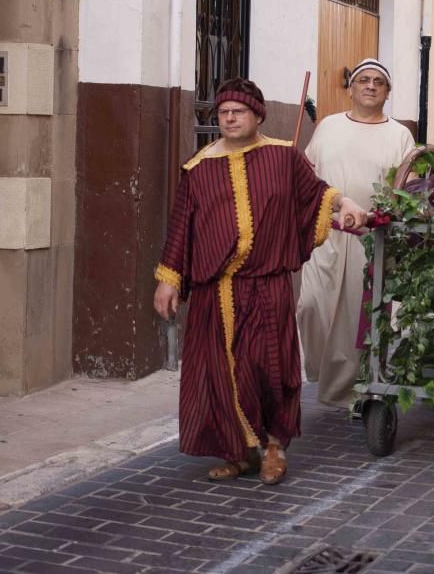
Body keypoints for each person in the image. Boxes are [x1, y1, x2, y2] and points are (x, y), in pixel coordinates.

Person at [153, 78, 367, 484]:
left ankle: (273, 447)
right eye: (223, 113)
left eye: (239, 112)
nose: (230, 118)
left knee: (267, 369)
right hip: (216, 291)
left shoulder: (283, 157)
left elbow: (318, 194)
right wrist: (169, 280)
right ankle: (238, 452)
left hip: (267, 286)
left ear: (257, 115)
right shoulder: (198, 168)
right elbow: (182, 228)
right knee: (218, 373)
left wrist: (347, 203)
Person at [297, 58, 415, 409]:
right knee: (309, 305)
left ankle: (345, 393)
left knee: (352, 318)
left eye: (378, 82)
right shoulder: (329, 126)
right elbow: (308, 173)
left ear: (387, 92)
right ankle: (318, 369)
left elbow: (406, 188)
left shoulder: (400, 135)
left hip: (370, 237)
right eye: (363, 80)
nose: (370, 86)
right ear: (350, 88)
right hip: (326, 232)